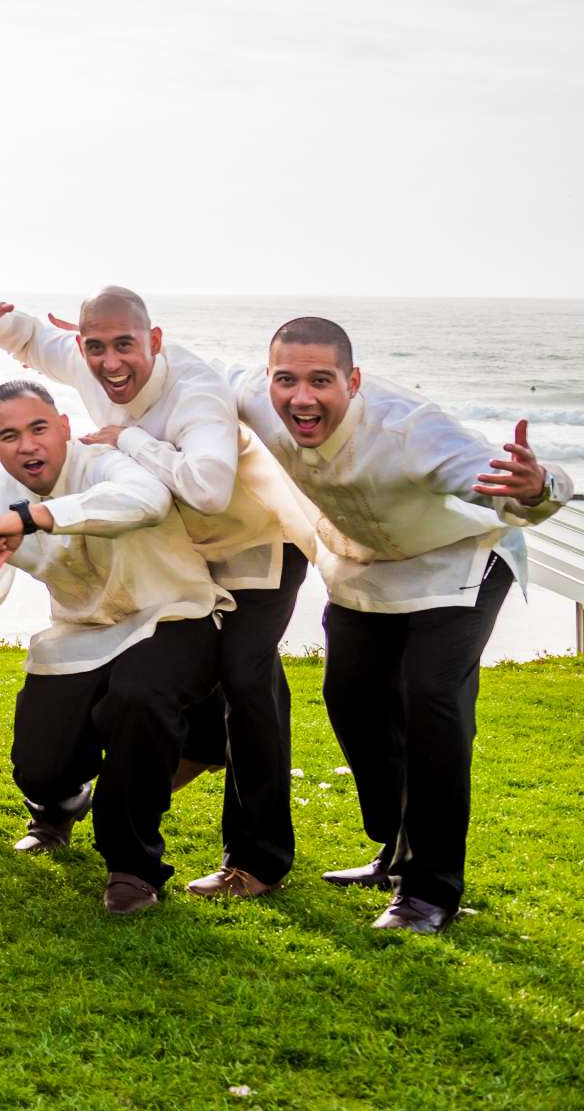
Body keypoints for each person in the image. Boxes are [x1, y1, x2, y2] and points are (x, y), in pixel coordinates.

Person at [0, 284, 309, 899]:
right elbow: (43, 344)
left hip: (251, 547)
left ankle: (258, 859)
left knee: (249, 685)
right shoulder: (96, 365)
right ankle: (161, 759)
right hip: (178, 554)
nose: (109, 362)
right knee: (162, 688)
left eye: (124, 345)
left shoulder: (196, 393)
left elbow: (205, 488)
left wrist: (127, 440)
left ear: (155, 341)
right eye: (96, 347)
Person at [234, 316, 572, 932]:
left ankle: (429, 892)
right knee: (351, 700)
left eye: (321, 381)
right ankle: (395, 850)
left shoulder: (410, 430)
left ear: (354, 381)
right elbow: (176, 375)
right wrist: (58, 341)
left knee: (432, 701)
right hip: (367, 565)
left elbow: (502, 483)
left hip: (457, 563)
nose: (300, 397)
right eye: (286, 379)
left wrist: (538, 486)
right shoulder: (255, 395)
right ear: (267, 377)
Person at [0, 381, 227, 915]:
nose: (28, 445)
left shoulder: (106, 464)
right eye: (10, 436)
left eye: (39, 428)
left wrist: (36, 517)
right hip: (80, 635)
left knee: (137, 702)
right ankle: (60, 805)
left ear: (64, 427)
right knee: (38, 769)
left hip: (172, 614)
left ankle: (132, 870)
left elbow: (149, 500)